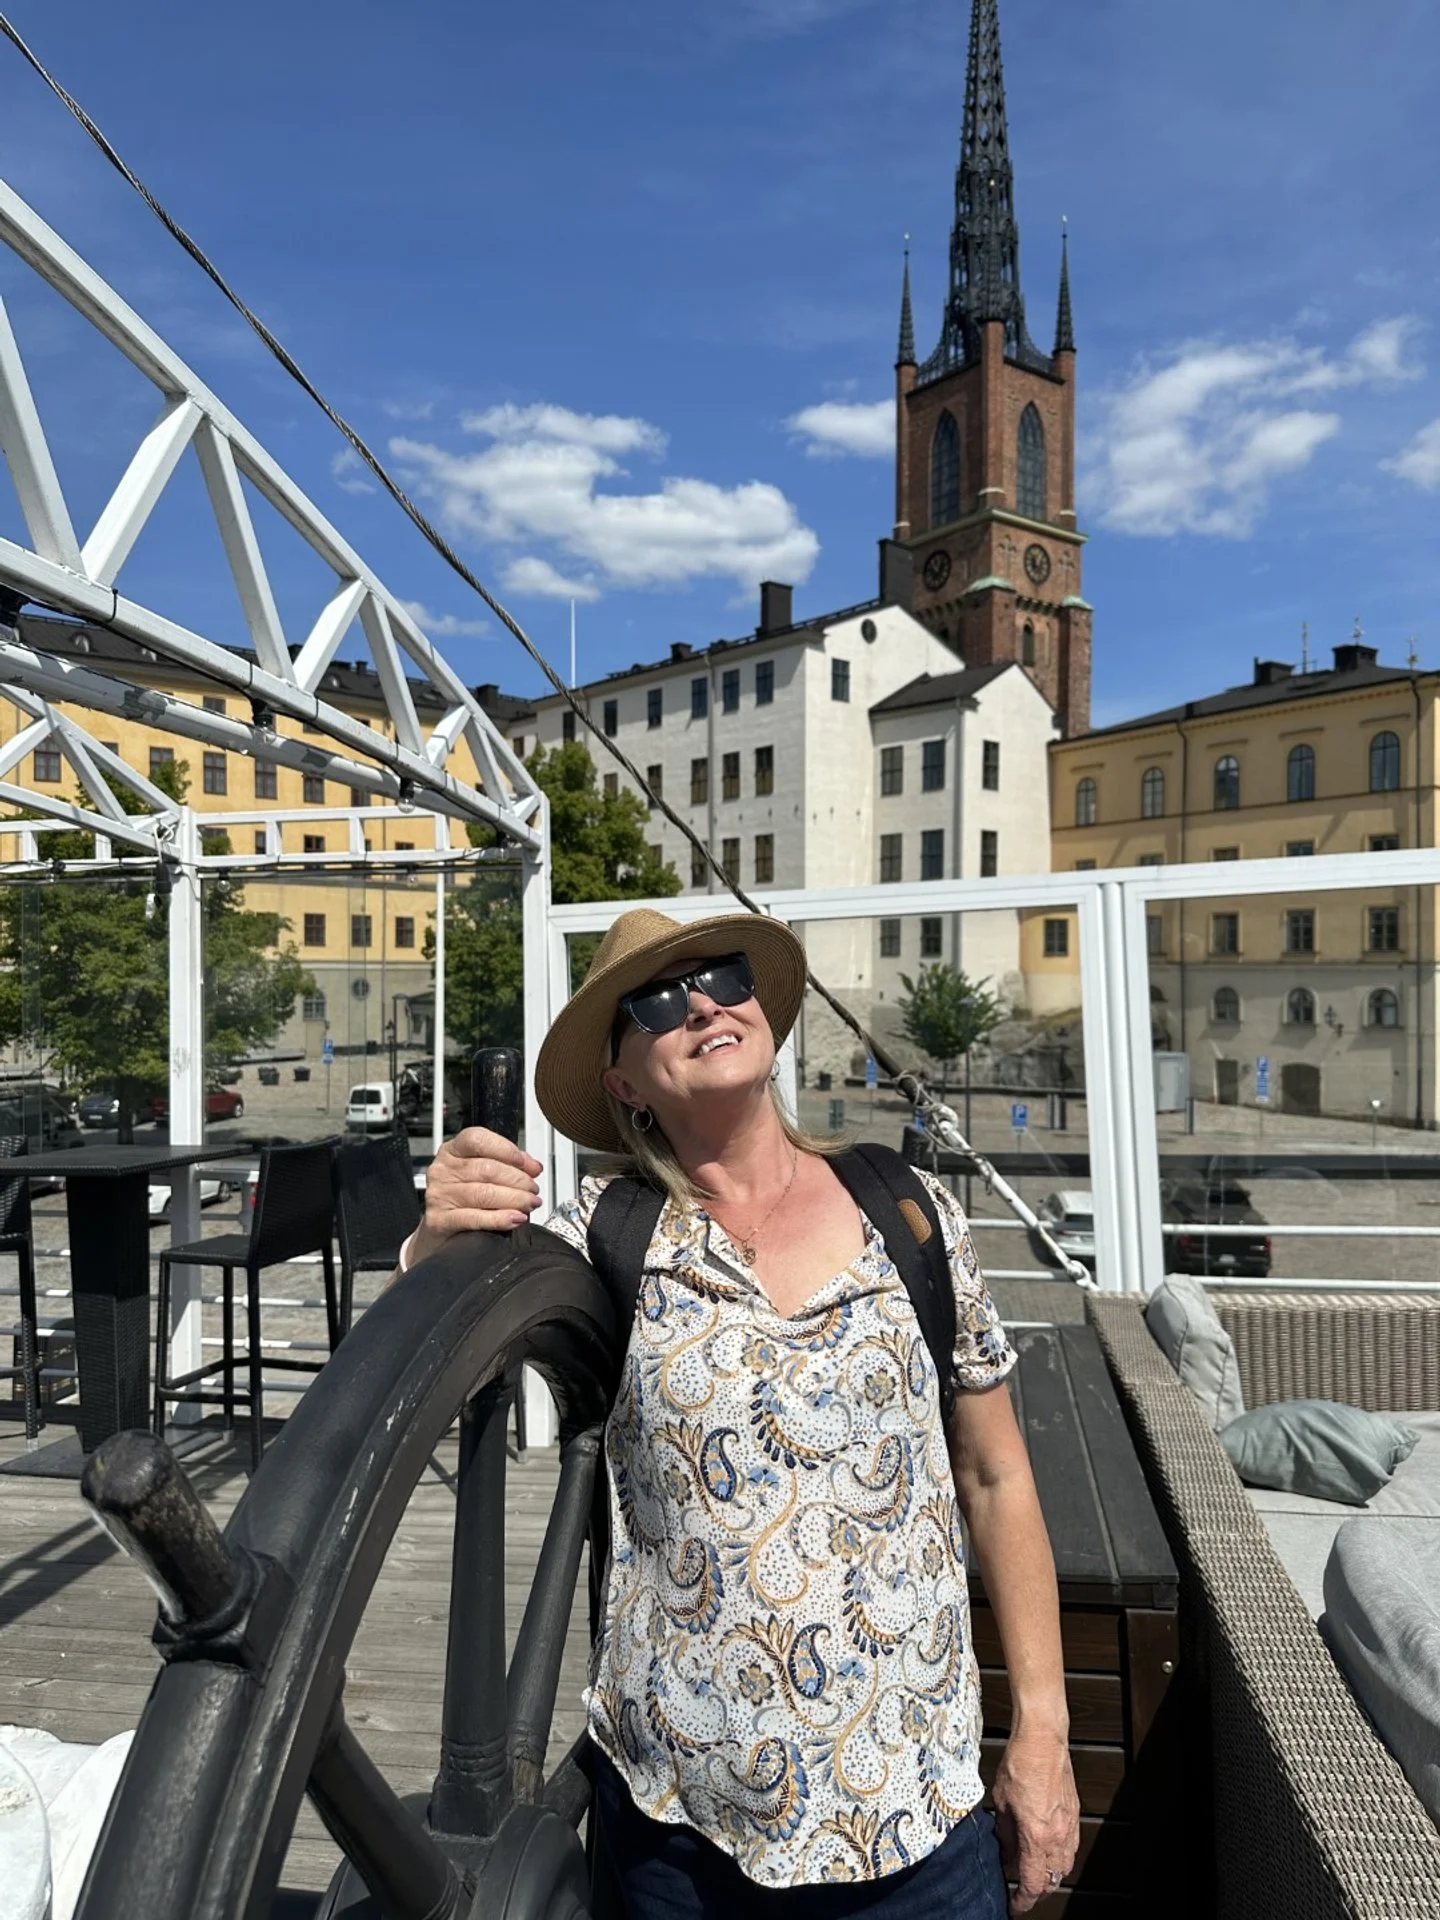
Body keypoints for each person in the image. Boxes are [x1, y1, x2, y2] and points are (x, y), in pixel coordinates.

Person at [401, 909, 1079, 1917]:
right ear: (624, 1083)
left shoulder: (913, 1213)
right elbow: (443, 1328)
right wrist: (435, 1229)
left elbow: (996, 1477)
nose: (704, 1002)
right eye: (659, 1001)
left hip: (916, 1819)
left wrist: (1044, 1734)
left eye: (721, 975)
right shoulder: (605, 1236)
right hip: (684, 1836)